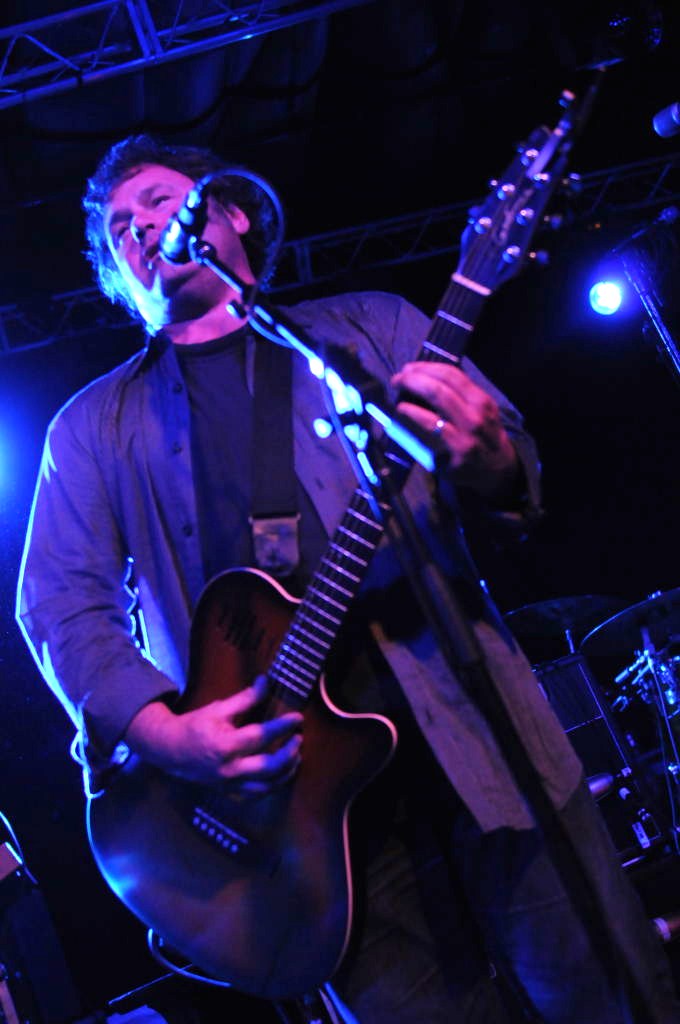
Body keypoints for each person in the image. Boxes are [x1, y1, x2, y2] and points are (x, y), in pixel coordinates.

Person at [15, 135, 680, 1024]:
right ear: (117, 278)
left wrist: (490, 457)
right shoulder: (91, 427)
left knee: (608, 998)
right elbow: (59, 604)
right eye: (119, 228)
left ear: (231, 213)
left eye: (159, 202)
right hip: (300, 826)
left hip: (482, 747)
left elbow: (513, 472)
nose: (139, 226)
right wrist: (168, 736)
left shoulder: (371, 328)